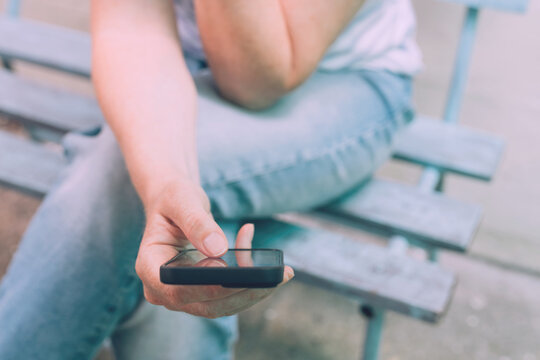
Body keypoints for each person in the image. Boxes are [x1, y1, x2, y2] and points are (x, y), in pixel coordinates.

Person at [0, 0, 421, 359]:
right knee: (163, 206)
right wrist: (166, 180)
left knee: (128, 182)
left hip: (341, 82)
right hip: (188, 66)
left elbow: (253, 78)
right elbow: (131, 27)